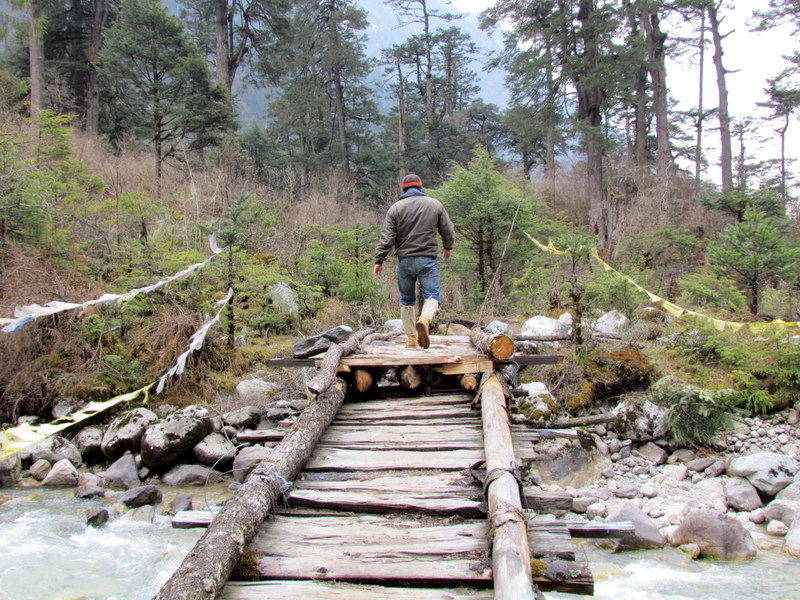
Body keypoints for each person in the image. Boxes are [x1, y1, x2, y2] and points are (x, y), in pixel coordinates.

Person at [373, 173, 455, 349]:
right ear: (420, 187)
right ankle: (424, 320)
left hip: (405, 261)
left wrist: (379, 260)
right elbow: (447, 230)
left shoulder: (395, 209)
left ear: (404, 188)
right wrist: (447, 247)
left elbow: (387, 238)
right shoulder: (435, 205)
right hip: (427, 259)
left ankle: (411, 339)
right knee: (432, 296)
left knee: (407, 300)